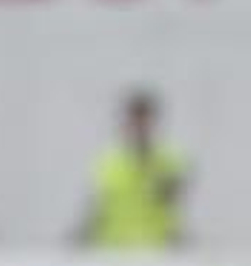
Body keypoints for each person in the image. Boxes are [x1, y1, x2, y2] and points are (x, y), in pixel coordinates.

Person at [81, 90, 189, 248]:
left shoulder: (169, 160)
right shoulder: (108, 162)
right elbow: (98, 207)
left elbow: (171, 196)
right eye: (135, 121)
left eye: (144, 122)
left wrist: (148, 161)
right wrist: (84, 235)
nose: (139, 128)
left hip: (158, 249)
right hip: (114, 248)